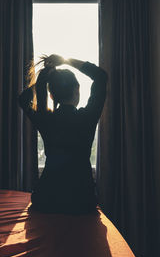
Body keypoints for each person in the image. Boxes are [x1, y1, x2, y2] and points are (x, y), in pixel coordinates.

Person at [18, 54, 108, 215]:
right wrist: (66, 61)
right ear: (77, 90)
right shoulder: (86, 117)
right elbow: (101, 76)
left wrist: (44, 78)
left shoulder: (45, 119)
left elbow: (23, 100)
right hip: (81, 200)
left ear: (52, 95)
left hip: (46, 199)